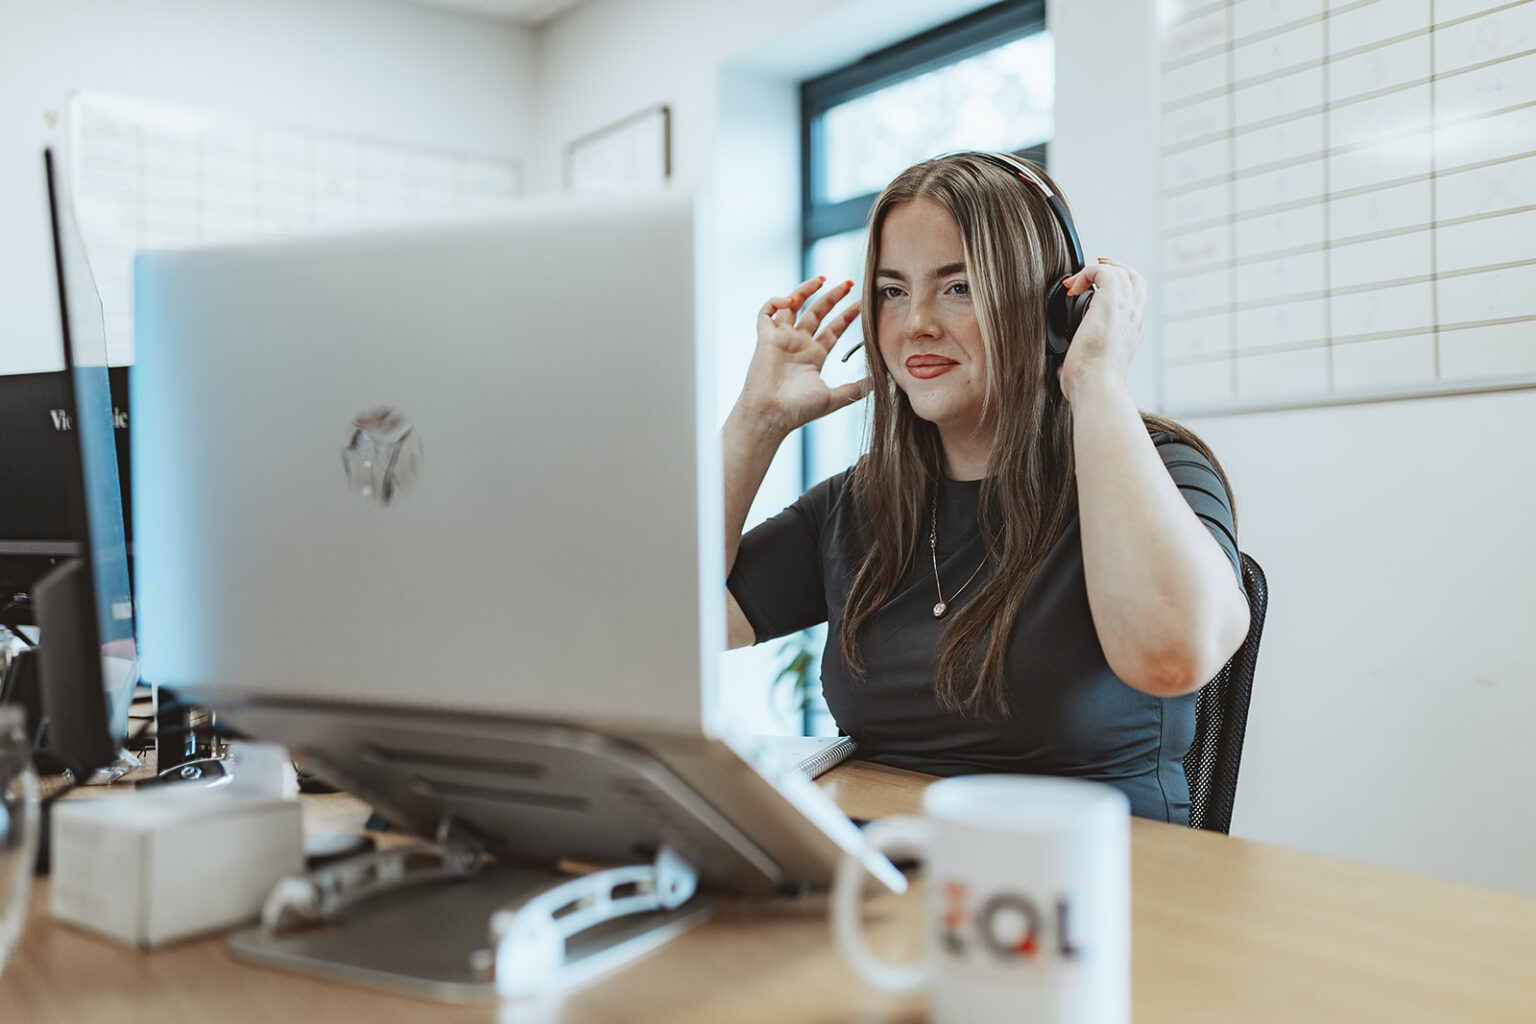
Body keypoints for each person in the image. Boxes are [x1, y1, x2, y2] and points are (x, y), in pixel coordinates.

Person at [722, 152, 1251, 823]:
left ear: (1059, 307)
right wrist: (756, 422)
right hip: (896, 879)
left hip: (1101, 891)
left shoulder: (1159, 468)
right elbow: (667, 623)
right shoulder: (860, 504)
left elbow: (1175, 655)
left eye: (959, 287)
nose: (915, 322)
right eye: (891, 290)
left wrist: (1095, 382)